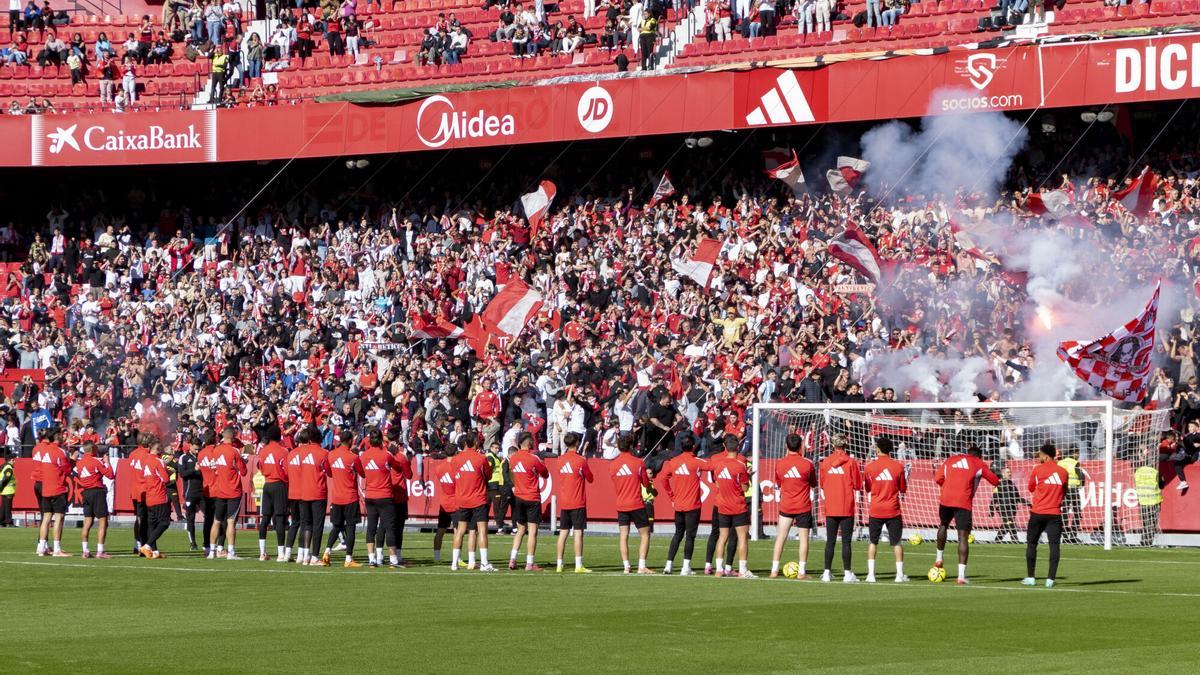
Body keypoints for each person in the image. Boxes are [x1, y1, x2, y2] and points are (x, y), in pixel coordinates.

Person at [933, 443, 998, 584]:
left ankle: (939, 559)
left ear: (967, 452)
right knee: (963, 536)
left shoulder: (951, 459)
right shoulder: (978, 463)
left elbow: (938, 479)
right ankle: (961, 576)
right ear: (979, 456)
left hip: (945, 499)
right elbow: (995, 480)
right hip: (963, 502)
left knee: (943, 525)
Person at [769, 433, 816, 579]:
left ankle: (774, 570)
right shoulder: (807, 464)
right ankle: (801, 572)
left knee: (780, 537)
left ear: (786, 446)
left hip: (786, 506)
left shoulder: (780, 463)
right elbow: (813, 483)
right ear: (801, 446)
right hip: (803, 506)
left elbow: (778, 483)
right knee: (803, 539)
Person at [1023, 443, 1069, 588]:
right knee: (1054, 546)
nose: (1039, 457)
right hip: (1054, 514)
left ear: (1046, 456)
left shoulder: (1038, 470)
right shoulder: (1063, 472)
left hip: (1038, 513)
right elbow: (1064, 491)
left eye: (1040, 455)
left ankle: (1031, 578)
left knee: (1032, 544)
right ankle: (1050, 579)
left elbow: (1030, 488)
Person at [659, 434, 705, 575]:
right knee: (690, 536)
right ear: (693, 447)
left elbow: (662, 479)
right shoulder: (697, 461)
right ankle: (686, 567)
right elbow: (714, 466)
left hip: (678, 504)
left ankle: (669, 565)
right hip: (693, 506)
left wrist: (672, 496)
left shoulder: (673, 462)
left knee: (678, 534)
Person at [863, 437, 908, 583]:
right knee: (896, 542)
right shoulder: (898, 467)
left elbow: (868, 488)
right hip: (893, 509)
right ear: (891, 450)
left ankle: (871, 575)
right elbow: (903, 488)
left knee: (872, 542)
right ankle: (899, 575)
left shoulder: (869, 467)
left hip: (876, 509)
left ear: (878, 449)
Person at [711, 435, 754, 578]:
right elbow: (745, 487)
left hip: (722, 505)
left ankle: (718, 569)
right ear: (738, 447)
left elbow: (717, 483)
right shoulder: (740, 466)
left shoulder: (718, 465)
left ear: (725, 447)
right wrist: (747, 477)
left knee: (722, 537)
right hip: (737, 506)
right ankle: (743, 570)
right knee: (742, 537)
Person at [819, 434, 861, 583]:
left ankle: (826, 573)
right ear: (846, 445)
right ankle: (847, 574)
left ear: (833, 445)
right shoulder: (851, 462)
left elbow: (822, 483)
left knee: (830, 541)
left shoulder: (825, 462)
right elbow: (857, 484)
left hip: (831, 506)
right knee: (846, 542)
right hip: (846, 506)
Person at [451, 433, 495, 572]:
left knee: (460, 531)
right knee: (481, 530)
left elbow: (454, 476)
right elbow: (488, 475)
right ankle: (484, 563)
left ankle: (454, 563)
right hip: (478, 499)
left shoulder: (456, 459)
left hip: (462, 499)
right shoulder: (481, 458)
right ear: (475, 443)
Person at [611, 435, 653, 574]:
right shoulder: (638, 462)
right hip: (636, 503)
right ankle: (641, 566)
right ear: (631, 446)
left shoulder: (613, 465)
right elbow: (646, 483)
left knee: (623, 535)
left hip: (621, 504)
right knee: (645, 533)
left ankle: (626, 566)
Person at [507, 432, 548, 571]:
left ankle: (512, 559)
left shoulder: (513, 458)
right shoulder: (533, 458)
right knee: (532, 531)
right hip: (532, 497)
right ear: (529, 442)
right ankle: (529, 563)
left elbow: (511, 473)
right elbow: (545, 474)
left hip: (519, 497)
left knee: (520, 529)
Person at [554, 432, 594, 573]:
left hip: (565, 502)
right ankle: (578, 565)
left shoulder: (560, 460)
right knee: (578, 534)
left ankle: (559, 564)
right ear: (576, 443)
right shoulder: (581, 460)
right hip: (577, 502)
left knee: (563, 534)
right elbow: (590, 478)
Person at [324, 430, 364, 567]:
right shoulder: (353, 457)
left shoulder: (331, 455)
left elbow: (328, 473)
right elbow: (363, 474)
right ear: (351, 441)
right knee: (351, 528)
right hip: (350, 497)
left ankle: (327, 552)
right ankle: (348, 559)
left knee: (336, 527)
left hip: (336, 497)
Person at [362, 429, 400, 567]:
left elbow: (362, 473)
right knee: (389, 528)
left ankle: (372, 558)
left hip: (370, 495)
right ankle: (393, 559)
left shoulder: (364, 456)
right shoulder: (386, 455)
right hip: (384, 495)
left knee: (371, 528)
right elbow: (398, 467)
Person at [208, 427, 247, 560]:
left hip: (219, 490)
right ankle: (230, 552)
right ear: (234, 436)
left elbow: (213, 467)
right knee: (230, 522)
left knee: (216, 521)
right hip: (233, 491)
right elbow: (244, 471)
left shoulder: (216, 450)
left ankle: (212, 552)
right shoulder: (235, 451)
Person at [295, 427, 331, 566]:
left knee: (306, 525)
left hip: (304, 492)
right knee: (317, 526)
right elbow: (329, 471)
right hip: (318, 493)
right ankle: (314, 556)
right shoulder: (324, 453)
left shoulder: (301, 452)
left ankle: (305, 555)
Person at [35, 430, 72, 557]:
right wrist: (72, 459)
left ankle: (42, 547)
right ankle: (56, 549)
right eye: (62, 434)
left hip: (46, 488)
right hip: (57, 488)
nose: (64, 436)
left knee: (46, 518)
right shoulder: (59, 451)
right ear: (57, 436)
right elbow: (67, 470)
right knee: (59, 517)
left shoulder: (44, 450)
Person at [256, 426, 289, 561]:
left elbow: (261, 468)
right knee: (280, 519)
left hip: (267, 484)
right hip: (279, 485)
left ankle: (262, 553)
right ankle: (281, 553)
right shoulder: (284, 451)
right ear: (279, 436)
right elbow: (286, 471)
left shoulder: (263, 451)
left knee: (265, 518)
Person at [75, 442, 113, 559]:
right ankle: (100, 551)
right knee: (103, 522)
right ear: (92, 449)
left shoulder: (80, 463)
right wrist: (107, 462)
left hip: (86, 493)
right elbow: (111, 475)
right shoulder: (96, 461)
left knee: (87, 523)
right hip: (97, 492)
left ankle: (85, 550)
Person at [141, 439, 172, 559]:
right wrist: (167, 470)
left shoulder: (146, 460)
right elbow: (166, 479)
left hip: (149, 496)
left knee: (152, 525)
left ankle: (154, 552)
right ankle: (147, 546)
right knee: (164, 522)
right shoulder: (158, 461)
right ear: (157, 449)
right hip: (159, 495)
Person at [388, 436, 414, 566]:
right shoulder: (400, 457)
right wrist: (408, 460)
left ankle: (379, 556)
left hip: (387, 494)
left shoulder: (384, 456)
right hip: (399, 495)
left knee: (385, 527)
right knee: (398, 527)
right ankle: (396, 556)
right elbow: (409, 475)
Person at [431, 443, 458, 564]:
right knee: (458, 531)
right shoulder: (457, 467)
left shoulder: (439, 467)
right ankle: (457, 558)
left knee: (440, 530)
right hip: (456, 502)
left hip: (444, 502)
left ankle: (437, 557)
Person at [125, 436, 152, 555]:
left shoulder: (132, 454)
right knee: (146, 519)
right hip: (144, 491)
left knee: (139, 518)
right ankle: (144, 544)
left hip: (134, 490)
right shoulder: (147, 455)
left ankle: (137, 544)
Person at [1057, 446, 1088, 543]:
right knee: (1077, 513)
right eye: (1077, 453)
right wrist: (1081, 485)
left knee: (1064, 513)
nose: (1078, 456)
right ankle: (1073, 536)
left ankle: (1065, 537)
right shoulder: (1075, 463)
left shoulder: (1060, 463)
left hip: (1062, 491)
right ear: (1074, 452)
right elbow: (1081, 476)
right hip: (1073, 490)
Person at [1135, 446, 1164, 545]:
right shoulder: (1155, 472)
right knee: (1152, 521)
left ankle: (1144, 540)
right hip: (1154, 500)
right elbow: (1162, 485)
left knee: (1145, 521)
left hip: (1142, 500)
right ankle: (1149, 540)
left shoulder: (1138, 471)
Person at [989, 466, 1027, 543]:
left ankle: (996, 541)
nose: (1010, 474)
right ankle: (1015, 541)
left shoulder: (1012, 485)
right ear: (1003, 474)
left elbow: (1017, 497)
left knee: (1006, 526)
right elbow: (994, 500)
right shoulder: (999, 485)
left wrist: (1027, 503)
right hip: (1004, 510)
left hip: (1012, 510)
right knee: (1011, 525)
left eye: (1010, 472)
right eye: (1007, 472)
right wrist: (991, 511)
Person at [0, 452, 15, 527]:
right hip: (8, 490)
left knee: (3, 507)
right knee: (8, 507)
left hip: (4, 491)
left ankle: (2, 521)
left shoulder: (4, 467)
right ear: (10, 460)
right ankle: (9, 522)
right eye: (13, 460)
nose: (14, 461)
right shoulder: (9, 468)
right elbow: (5, 479)